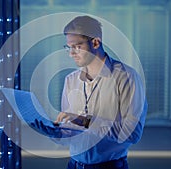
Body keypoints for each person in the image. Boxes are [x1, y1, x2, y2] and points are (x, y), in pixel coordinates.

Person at [31, 15, 148, 169]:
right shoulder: (71, 80)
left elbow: (132, 133)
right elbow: (70, 134)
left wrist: (85, 121)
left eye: (77, 46)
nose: (71, 53)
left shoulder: (126, 77)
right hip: (74, 165)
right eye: (68, 47)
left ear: (95, 42)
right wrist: (54, 133)